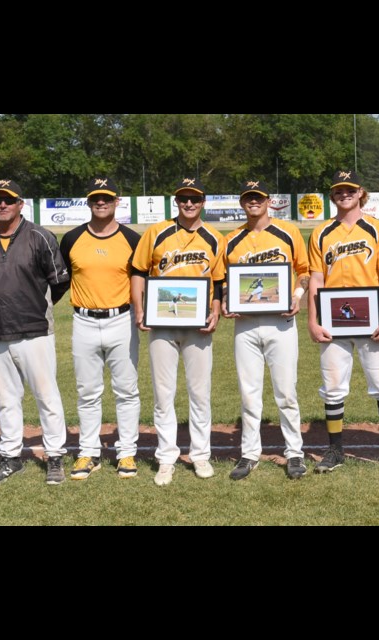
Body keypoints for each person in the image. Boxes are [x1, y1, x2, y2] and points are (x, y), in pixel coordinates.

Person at [0, 179, 71, 485]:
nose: (2, 205)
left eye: (8, 200)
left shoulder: (40, 236)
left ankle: (54, 457)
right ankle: (11, 458)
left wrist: (33, 305)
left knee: (46, 396)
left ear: (20, 203)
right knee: (6, 399)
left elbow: (59, 282)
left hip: (35, 330)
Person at [306, 170, 379, 473]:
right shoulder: (322, 232)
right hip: (333, 322)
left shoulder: (377, 229)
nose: (344, 195)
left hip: (371, 319)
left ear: (361, 192)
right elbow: (316, 278)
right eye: (338, 190)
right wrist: (312, 320)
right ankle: (335, 450)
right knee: (333, 387)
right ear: (332, 195)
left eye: (349, 190)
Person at [130, 177, 225, 486]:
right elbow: (139, 271)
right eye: (183, 198)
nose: (188, 203)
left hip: (198, 327)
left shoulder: (214, 237)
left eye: (194, 198)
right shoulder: (156, 232)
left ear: (203, 202)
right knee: (163, 394)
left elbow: (219, 282)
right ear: (176, 201)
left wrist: (215, 310)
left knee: (199, 393)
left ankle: (200, 455)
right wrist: (140, 308)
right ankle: (166, 458)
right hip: (162, 326)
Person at [223, 179, 311, 480]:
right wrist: (225, 299)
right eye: (248, 197)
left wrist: (297, 297)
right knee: (249, 394)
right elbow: (224, 279)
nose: (253, 202)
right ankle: (249, 454)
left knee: (286, 392)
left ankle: (295, 453)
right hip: (245, 324)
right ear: (241, 202)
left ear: (268, 200)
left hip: (281, 322)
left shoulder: (289, 232)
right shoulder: (232, 239)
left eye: (258, 197)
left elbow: (304, 271)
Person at [59, 177, 142, 480]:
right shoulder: (71, 238)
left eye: (107, 197)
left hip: (122, 319)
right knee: (87, 391)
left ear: (116, 201)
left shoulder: (132, 239)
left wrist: (142, 313)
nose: (101, 202)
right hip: (83, 320)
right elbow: (60, 279)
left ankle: (127, 452)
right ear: (89, 202)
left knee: (127, 390)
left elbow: (140, 279)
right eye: (96, 198)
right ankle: (88, 452)